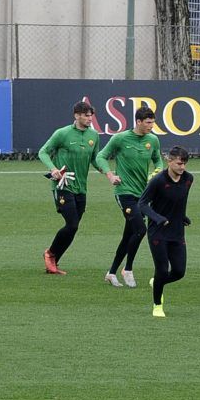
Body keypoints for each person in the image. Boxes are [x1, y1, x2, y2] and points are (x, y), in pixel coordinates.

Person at [38, 100, 114, 275]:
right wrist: (53, 169)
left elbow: (95, 158)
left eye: (91, 116)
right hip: (63, 185)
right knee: (71, 224)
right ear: (76, 115)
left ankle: (53, 260)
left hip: (81, 188)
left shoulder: (93, 136)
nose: (89, 119)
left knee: (74, 227)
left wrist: (108, 172)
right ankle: (50, 255)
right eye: (86, 115)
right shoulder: (62, 134)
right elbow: (43, 151)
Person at [96, 106, 162, 288]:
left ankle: (111, 273)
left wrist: (157, 170)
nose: (151, 126)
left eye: (153, 122)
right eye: (148, 123)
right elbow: (101, 156)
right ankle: (128, 269)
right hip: (124, 192)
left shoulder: (153, 140)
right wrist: (110, 175)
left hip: (143, 195)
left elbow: (158, 159)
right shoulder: (120, 138)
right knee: (140, 230)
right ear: (138, 122)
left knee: (129, 235)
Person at [138, 146, 193, 318]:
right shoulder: (158, 181)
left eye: (184, 164)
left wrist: (182, 216)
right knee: (162, 269)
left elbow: (179, 200)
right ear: (169, 161)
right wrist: (158, 217)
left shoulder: (188, 179)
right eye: (178, 163)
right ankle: (157, 305)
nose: (182, 167)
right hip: (158, 232)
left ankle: (157, 283)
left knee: (179, 272)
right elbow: (142, 204)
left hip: (177, 231)